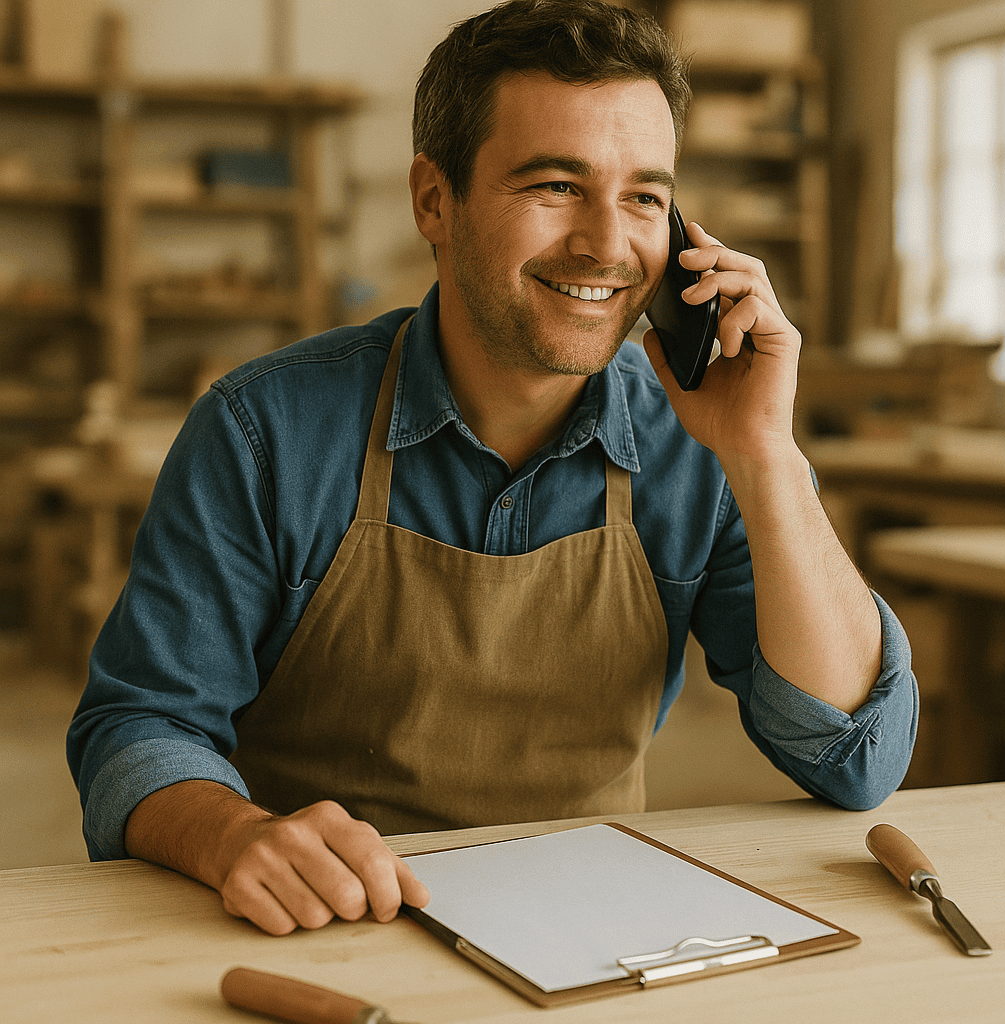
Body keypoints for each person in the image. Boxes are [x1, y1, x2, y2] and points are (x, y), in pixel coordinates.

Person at [67, 0, 917, 938]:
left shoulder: (699, 447)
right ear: (434, 200)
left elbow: (854, 759)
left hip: (592, 934)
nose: (607, 246)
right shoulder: (263, 431)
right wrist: (234, 836)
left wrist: (767, 457)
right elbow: (137, 728)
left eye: (644, 197)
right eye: (555, 185)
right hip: (331, 929)